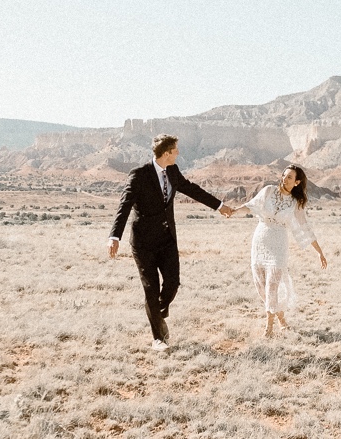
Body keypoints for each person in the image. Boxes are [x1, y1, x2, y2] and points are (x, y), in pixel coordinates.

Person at [109, 134, 234, 349]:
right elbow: (125, 205)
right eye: (175, 150)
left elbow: (192, 189)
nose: (178, 153)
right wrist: (114, 236)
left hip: (167, 240)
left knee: (173, 283)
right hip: (143, 243)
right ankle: (158, 338)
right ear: (166, 153)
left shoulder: (173, 171)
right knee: (151, 288)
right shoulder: (139, 175)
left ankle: (158, 312)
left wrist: (218, 205)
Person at [233, 164, 327, 337]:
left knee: (272, 286)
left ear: (297, 182)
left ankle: (268, 328)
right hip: (260, 240)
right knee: (260, 284)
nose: (284, 179)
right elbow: (251, 205)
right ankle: (282, 320)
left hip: (279, 244)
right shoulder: (268, 191)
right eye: (284, 175)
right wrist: (234, 211)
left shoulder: (295, 203)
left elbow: (305, 228)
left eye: (290, 177)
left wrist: (319, 251)